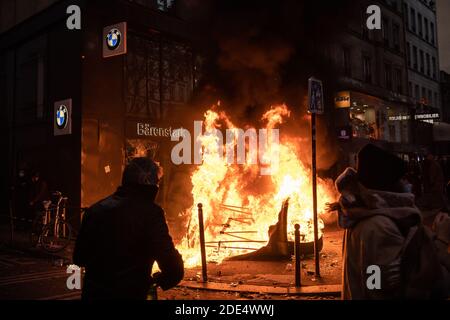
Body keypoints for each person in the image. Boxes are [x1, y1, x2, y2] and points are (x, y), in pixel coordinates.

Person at [336, 144, 450, 299]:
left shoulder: (366, 216)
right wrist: (443, 239)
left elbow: (374, 278)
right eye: (402, 179)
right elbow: (378, 287)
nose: (408, 183)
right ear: (389, 184)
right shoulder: (378, 227)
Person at [73, 157, 184, 300]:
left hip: (94, 294)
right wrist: (156, 280)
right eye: (157, 182)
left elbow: (79, 258)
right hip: (130, 294)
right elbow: (173, 268)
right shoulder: (151, 213)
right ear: (149, 184)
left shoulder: (95, 210)